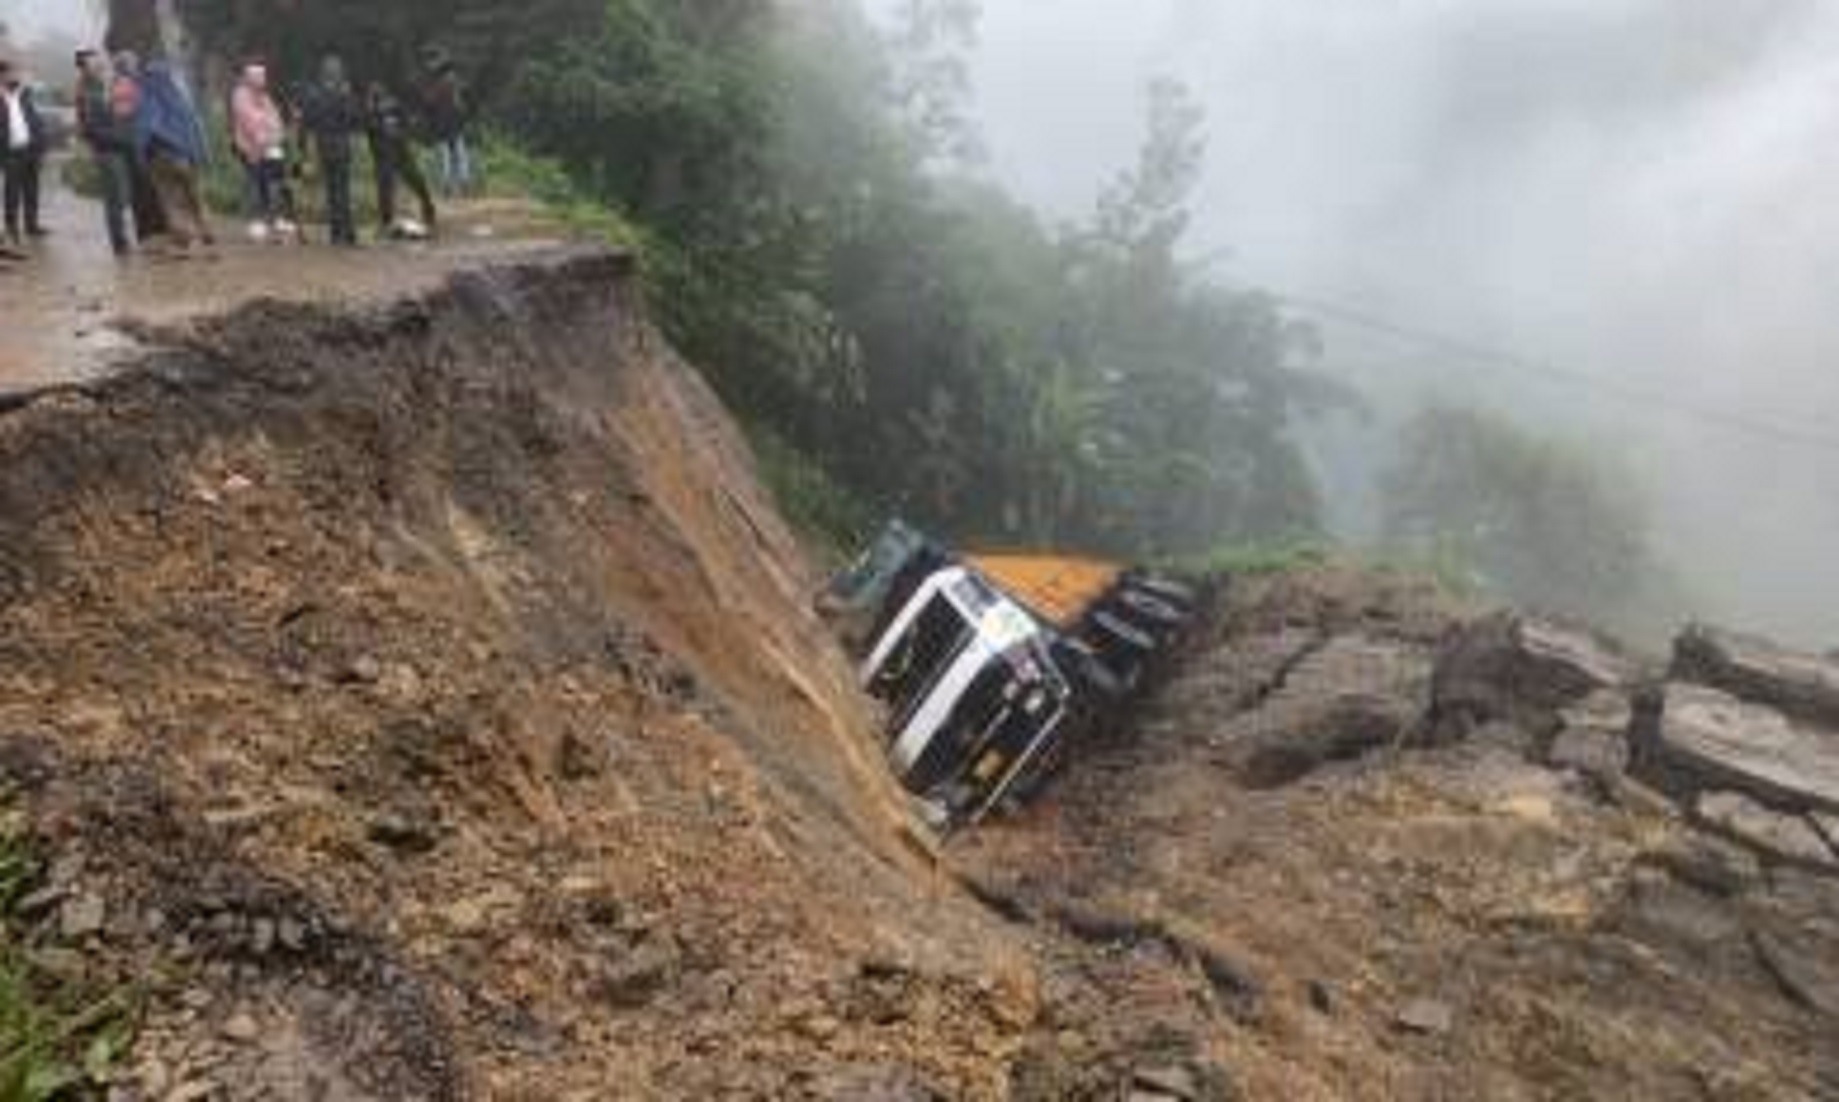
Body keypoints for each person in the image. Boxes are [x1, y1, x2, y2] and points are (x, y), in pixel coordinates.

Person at [135, 57, 213, 252]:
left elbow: (146, 128)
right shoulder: (181, 99)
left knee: (170, 199)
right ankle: (206, 230)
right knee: (195, 194)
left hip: (160, 156)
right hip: (186, 157)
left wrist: (141, 154)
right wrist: (202, 155)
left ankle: (184, 239)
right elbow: (196, 129)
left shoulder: (147, 97)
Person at [230, 59, 297, 241]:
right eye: (259, 77)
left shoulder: (265, 97)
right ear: (250, 78)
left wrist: (275, 136)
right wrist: (266, 136)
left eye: (263, 77)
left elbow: (275, 121)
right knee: (255, 182)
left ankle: (276, 218)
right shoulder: (240, 95)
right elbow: (250, 121)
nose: (263, 81)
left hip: (270, 147)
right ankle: (255, 221)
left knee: (274, 182)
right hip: (249, 147)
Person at [74, 49, 132, 256]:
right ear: (85, 66)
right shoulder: (86, 90)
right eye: (94, 62)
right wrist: (121, 140)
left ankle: (122, 239)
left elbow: (115, 115)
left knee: (120, 196)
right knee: (114, 198)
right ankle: (119, 244)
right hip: (107, 150)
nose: (100, 64)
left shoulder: (99, 86)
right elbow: (92, 128)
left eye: (100, 61)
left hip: (114, 147)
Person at [299, 55, 362, 246]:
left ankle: (336, 234)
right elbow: (353, 119)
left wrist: (304, 150)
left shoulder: (314, 95)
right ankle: (348, 233)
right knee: (342, 191)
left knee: (332, 191)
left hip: (323, 146)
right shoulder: (343, 94)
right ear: (338, 73)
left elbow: (306, 123)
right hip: (341, 146)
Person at [110, 51, 168, 245]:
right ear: (124, 65)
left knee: (151, 183)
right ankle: (146, 230)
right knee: (139, 184)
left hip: (144, 137)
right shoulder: (120, 83)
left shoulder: (136, 81)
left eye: (136, 61)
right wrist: (135, 108)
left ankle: (158, 226)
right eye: (132, 62)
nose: (136, 64)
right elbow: (120, 110)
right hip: (131, 139)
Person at [364, 82, 435, 239]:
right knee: (388, 188)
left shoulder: (389, 107)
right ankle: (387, 221)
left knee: (411, 181)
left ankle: (426, 208)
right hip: (387, 153)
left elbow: (405, 125)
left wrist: (398, 131)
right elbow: (372, 132)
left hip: (397, 151)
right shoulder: (373, 111)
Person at [0, 58, 49, 248]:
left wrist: (41, 143)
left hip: (30, 150)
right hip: (10, 152)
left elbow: (35, 119)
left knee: (32, 189)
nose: (16, 76)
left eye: (16, 73)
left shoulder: (23, 95)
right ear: (2, 75)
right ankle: (12, 228)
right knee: (12, 192)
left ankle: (32, 225)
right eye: (12, 73)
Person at [418, 46, 472, 197]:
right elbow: (464, 102)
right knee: (460, 153)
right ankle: (463, 182)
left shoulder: (438, 83)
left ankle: (448, 184)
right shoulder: (455, 80)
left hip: (443, 123)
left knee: (447, 155)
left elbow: (429, 103)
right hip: (455, 122)